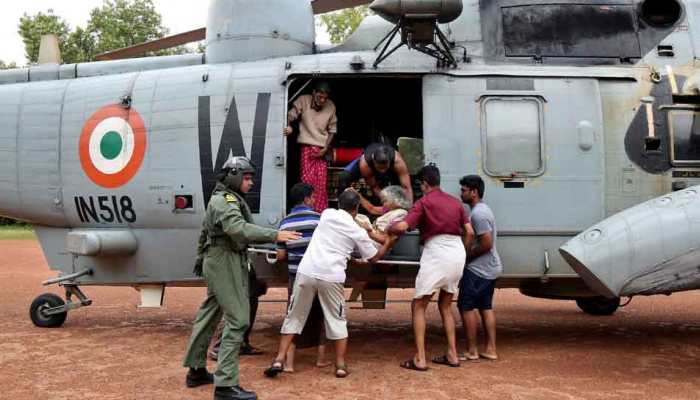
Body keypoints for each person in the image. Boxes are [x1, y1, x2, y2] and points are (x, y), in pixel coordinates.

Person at [183, 156, 301, 400]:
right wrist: (275, 235)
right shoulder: (226, 200)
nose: (250, 183)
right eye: (247, 178)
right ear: (235, 176)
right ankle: (226, 385)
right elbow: (237, 229)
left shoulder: (224, 198)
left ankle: (196, 370)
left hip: (221, 258)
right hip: (224, 260)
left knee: (209, 314)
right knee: (238, 320)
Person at [264, 190, 396, 379]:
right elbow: (374, 257)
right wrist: (389, 242)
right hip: (331, 275)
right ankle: (340, 365)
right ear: (356, 208)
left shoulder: (326, 214)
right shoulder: (357, 231)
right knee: (336, 319)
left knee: (293, 316)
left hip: (306, 271)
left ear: (338, 204)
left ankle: (279, 359)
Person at [388, 165, 474, 372]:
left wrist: (387, 226)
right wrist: (462, 252)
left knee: (419, 305)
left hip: (437, 252)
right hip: (457, 253)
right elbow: (469, 232)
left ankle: (420, 358)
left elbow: (402, 227)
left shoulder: (424, 202)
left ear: (424, 183)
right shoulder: (455, 202)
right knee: (445, 305)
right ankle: (452, 354)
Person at [275, 183, 330, 372]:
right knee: (321, 316)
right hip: (319, 275)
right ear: (307, 198)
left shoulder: (285, 223)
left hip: (296, 276)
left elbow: (281, 256)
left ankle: (289, 364)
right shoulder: (320, 220)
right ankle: (321, 359)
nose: (314, 201)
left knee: (293, 317)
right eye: (313, 197)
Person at [458, 175, 502, 361]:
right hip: (489, 269)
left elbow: (486, 244)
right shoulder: (482, 210)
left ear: (474, 192)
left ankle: (472, 350)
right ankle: (490, 349)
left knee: (465, 306)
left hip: (479, 269)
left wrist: (465, 257)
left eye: (464, 190)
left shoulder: (478, 214)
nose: (461, 193)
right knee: (485, 307)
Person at [284, 81, 337, 213]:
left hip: (322, 150)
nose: (322, 100)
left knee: (320, 186)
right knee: (307, 184)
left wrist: (325, 148)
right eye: (320, 96)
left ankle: (319, 214)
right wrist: (289, 126)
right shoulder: (304, 100)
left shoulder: (331, 106)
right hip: (307, 148)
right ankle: (306, 212)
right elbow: (290, 114)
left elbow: (332, 130)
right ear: (314, 93)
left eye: (325, 98)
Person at [339, 142, 414, 206]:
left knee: (401, 185)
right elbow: (374, 187)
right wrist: (389, 202)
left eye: (385, 168)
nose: (382, 171)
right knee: (344, 177)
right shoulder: (365, 164)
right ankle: (343, 208)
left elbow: (407, 187)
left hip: (391, 170)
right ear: (374, 162)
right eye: (380, 168)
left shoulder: (398, 162)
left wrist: (409, 208)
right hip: (367, 166)